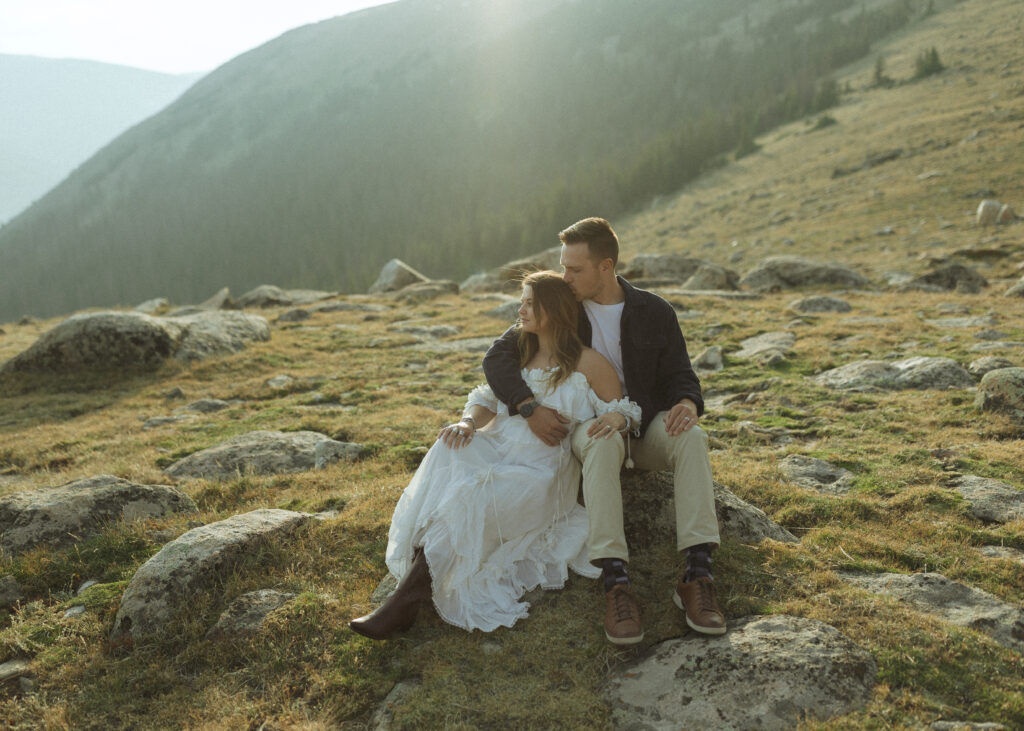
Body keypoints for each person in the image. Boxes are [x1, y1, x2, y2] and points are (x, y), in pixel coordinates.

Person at [348, 271, 640, 639]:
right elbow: (486, 401)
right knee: (450, 447)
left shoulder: (590, 364)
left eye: (529, 303)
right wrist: (468, 423)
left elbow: (625, 409)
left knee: (470, 495)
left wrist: (615, 416)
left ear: (552, 309)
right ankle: (409, 594)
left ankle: (405, 599)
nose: (520, 309)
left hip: (540, 469)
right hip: (498, 448)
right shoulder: (519, 353)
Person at [483, 217, 724, 646]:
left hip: (645, 425)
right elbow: (498, 357)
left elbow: (681, 376)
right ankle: (616, 581)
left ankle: (697, 575)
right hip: (589, 430)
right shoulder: (564, 308)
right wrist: (528, 407)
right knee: (601, 436)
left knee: (692, 438)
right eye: (563, 266)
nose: (565, 276)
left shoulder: (655, 311)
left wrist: (687, 403)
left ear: (606, 267)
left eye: (574, 269)